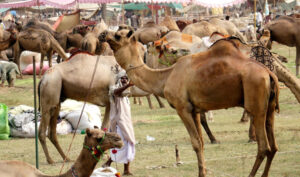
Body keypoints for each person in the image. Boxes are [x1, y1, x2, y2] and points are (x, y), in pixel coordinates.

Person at [103, 69, 135, 176]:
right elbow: (116, 92)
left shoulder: (126, 94)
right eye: (123, 78)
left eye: (126, 78)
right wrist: (127, 85)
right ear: (118, 79)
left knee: (129, 144)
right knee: (120, 145)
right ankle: (108, 162)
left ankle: (126, 169)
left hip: (127, 123)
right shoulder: (115, 91)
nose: (125, 80)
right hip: (119, 124)